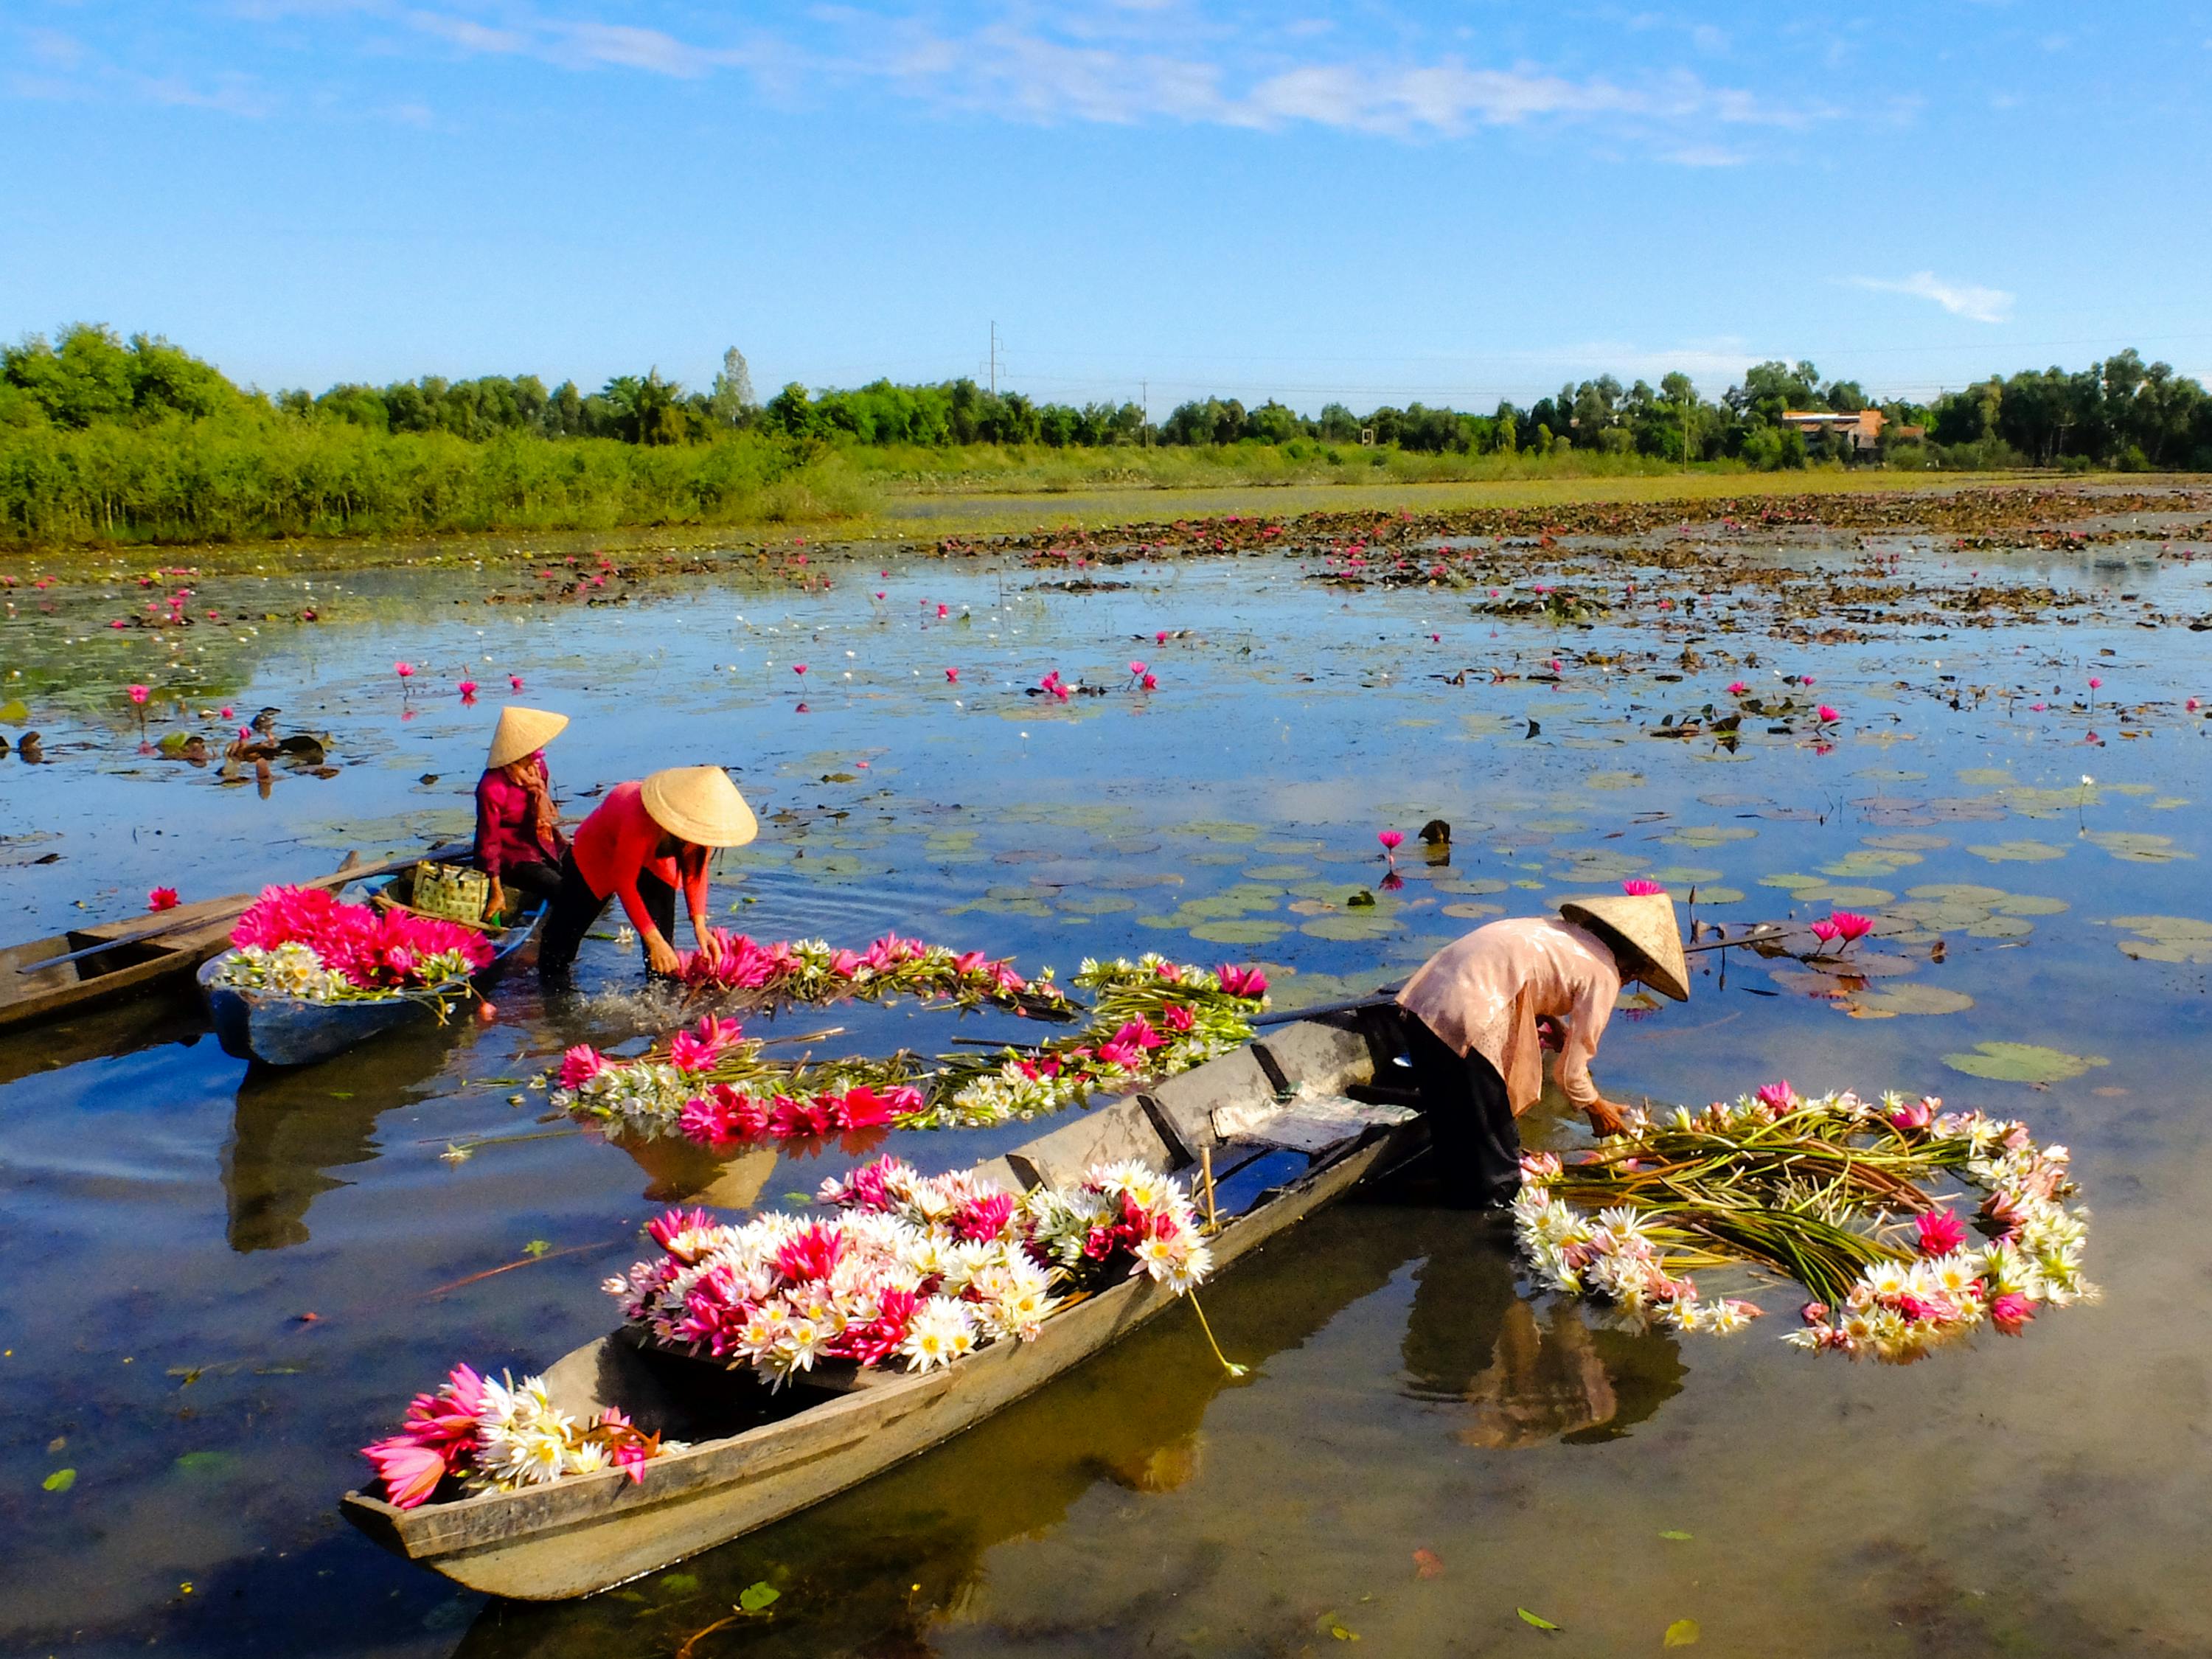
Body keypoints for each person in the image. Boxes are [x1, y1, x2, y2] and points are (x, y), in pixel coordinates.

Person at [1393, 891, 1689, 1208]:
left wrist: (1554, 1021)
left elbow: (1529, 973)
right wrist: (1597, 1108)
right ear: (1632, 969)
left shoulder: (1555, 930)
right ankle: (1487, 1227)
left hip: (1423, 1003)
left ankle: (1451, 1197)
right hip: (1470, 1017)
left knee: (1452, 1124)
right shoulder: (1604, 975)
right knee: (1495, 1153)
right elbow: (1570, 1075)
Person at [537, 765, 757, 986]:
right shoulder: (638, 815)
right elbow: (624, 882)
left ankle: (660, 999)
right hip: (598, 854)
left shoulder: (702, 828)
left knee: (663, 958)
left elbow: (695, 872)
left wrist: (699, 926)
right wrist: (652, 938)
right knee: (559, 948)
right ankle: (552, 1001)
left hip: (654, 862)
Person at [474, 706, 571, 917]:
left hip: (543, 842)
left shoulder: (538, 770)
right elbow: (488, 841)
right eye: (534, 750)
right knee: (559, 888)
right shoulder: (492, 787)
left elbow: (542, 817)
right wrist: (496, 892)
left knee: (591, 870)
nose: (539, 754)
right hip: (513, 856)